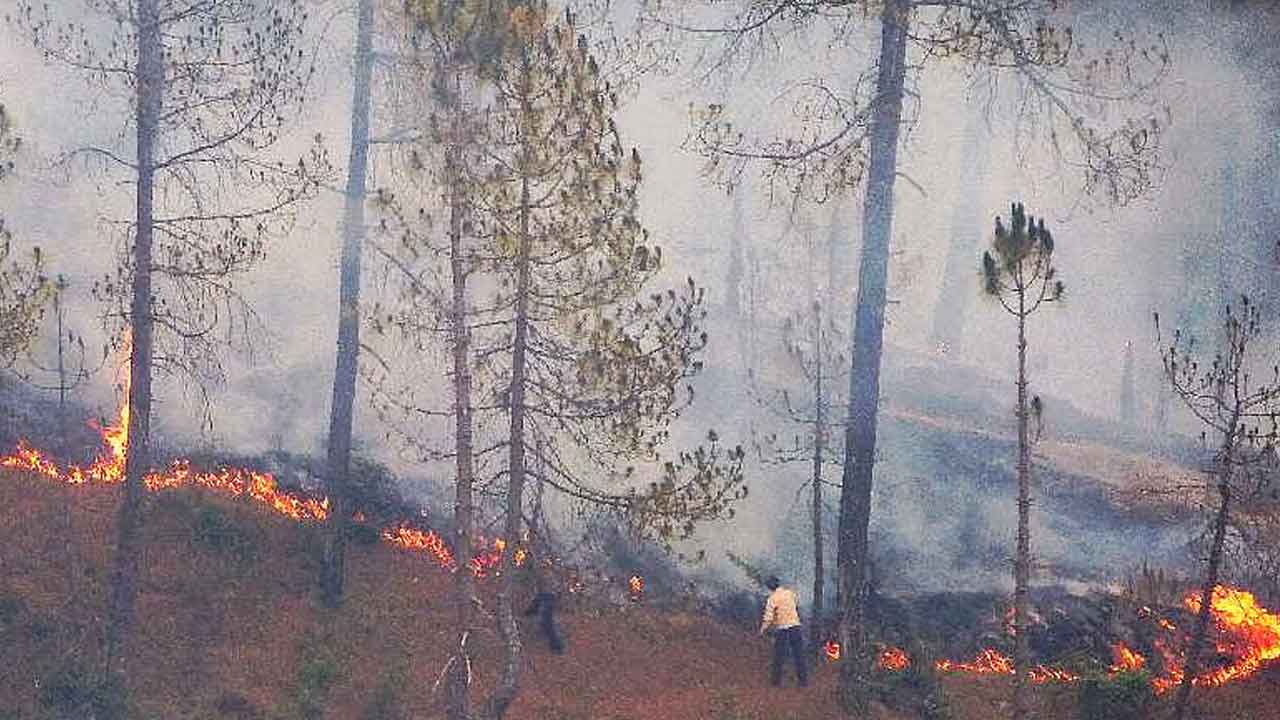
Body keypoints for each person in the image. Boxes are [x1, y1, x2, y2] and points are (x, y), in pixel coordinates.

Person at [758, 575, 807, 687]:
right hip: (795, 626)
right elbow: (796, 602)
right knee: (798, 654)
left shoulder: (772, 598)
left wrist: (763, 629)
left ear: (769, 587)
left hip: (782, 629)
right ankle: (803, 681)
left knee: (779, 655)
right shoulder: (789, 593)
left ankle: (776, 681)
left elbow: (768, 618)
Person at [524, 584, 565, 654]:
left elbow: (533, 608)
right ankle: (556, 647)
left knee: (548, 627)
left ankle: (557, 647)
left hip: (545, 610)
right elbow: (534, 608)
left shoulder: (542, 596)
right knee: (549, 627)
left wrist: (527, 613)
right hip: (546, 609)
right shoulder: (543, 596)